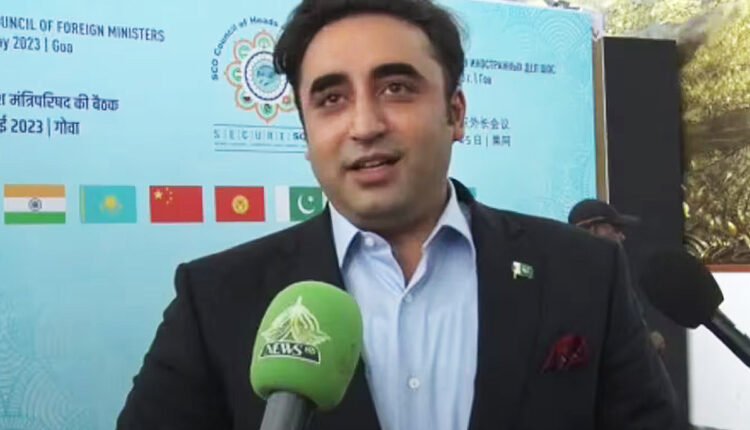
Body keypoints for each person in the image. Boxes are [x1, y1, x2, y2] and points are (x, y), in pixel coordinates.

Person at [118, 1, 678, 429]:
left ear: (456, 113)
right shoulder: (216, 298)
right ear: (306, 134)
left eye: (396, 87)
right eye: (331, 99)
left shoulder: (584, 272)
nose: (365, 125)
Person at [568, 198, 668, 357]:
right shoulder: (577, 288)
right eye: (615, 229)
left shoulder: (607, 281)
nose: (622, 237)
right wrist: (646, 346)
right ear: (593, 231)